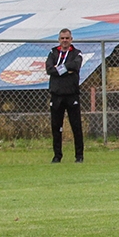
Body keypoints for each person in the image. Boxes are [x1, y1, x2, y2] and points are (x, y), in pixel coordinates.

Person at [46, 28, 84, 163]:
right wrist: (66, 70)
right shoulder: (53, 52)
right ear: (59, 39)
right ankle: (57, 156)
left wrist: (59, 68)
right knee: (56, 127)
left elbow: (76, 66)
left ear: (71, 39)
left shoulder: (77, 53)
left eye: (67, 38)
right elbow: (49, 69)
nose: (65, 41)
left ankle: (79, 156)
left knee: (76, 126)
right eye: (62, 38)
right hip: (56, 95)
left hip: (71, 94)